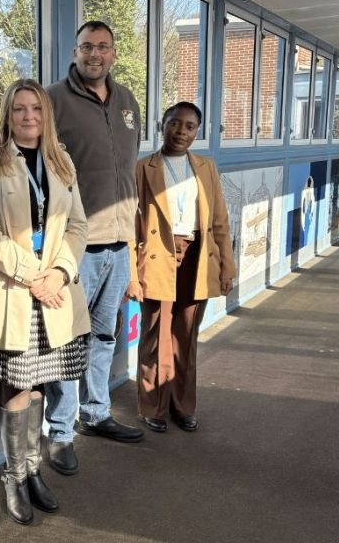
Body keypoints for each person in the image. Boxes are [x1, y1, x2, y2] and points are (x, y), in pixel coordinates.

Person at [0, 79, 90, 525]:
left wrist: (58, 274)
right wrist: (35, 276)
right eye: (19, 109)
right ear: (7, 114)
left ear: (46, 114)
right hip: (13, 293)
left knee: (40, 383)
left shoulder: (61, 160)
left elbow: (78, 227)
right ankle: (14, 477)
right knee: (16, 386)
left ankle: (34, 469)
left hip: (53, 294)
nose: (28, 116)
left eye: (36, 109)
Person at [45, 20, 144, 476]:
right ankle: (61, 433)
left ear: (114, 54)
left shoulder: (128, 103)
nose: (94, 55)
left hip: (120, 244)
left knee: (105, 335)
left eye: (103, 47)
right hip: (75, 246)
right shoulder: (51, 100)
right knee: (68, 341)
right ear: (75, 49)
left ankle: (97, 413)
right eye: (87, 46)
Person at [126, 102, 235, 433]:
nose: (181, 132)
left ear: (196, 132)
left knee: (185, 337)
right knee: (155, 336)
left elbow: (219, 221)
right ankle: (152, 407)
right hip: (158, 257)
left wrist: (227, 268)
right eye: (175, 124)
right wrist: (132, 275)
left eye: (189, 127)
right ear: (163, 125)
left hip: (197, 258)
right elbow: (131, 226)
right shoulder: (143, 168)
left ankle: (182, 405)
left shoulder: (206, 167)